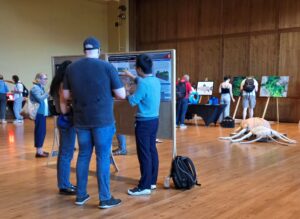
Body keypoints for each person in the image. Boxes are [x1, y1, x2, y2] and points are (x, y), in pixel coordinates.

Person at [63, 37, 126, 209]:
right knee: (102, 157)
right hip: (102, 120)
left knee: (83, 155)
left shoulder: (71, 68)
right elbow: (121, 95)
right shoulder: (106, 67)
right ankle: (105, 198)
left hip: (81, 119)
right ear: (98, 50)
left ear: (84, 50)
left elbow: (66, 96)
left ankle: (81, 195)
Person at [121, 54, 161, 196]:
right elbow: (143, 82)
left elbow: (133, 101)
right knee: (151, 150)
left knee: (144, 154)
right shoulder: (156, 80)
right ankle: (151, 182)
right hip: (154, 121)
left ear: (138, 68)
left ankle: (144, 186)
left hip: (143, 123)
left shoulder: (143, 83)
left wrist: (125, 92)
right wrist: (132, 76)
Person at [50, 60, 77, 195]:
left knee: (64, 153)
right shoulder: (62, 85)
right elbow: (63, 108)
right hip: (66, 120)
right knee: (66, 154)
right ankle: (64, 185)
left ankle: (64, 183)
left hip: (62, 121)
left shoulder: (57, 83)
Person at [30, 73, 49, 157]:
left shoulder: (41, 87)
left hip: (42, 113)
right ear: (38, 79)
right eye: (44, 79)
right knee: (40, 132)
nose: (46, 80)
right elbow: (40, 98)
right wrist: (48, 93)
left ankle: (40, 150)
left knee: (42, 131)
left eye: (46, 78)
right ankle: (39, 152)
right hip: (38, 113)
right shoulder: (35, 88)